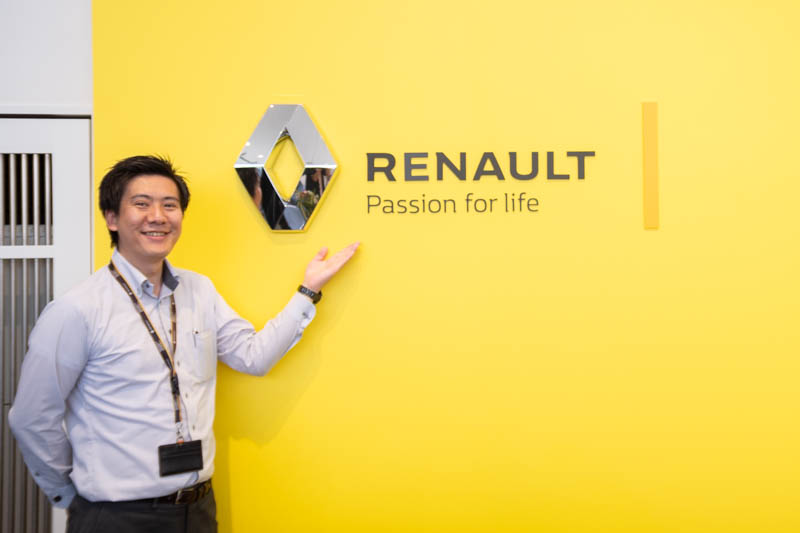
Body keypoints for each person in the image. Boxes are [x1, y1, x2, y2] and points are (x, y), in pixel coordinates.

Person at [8, 155, 359, 533]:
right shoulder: (77, 310)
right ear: (112, 218)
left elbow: (253, 357)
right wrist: (69, 494)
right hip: (117, 517)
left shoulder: (199, 290)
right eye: (141, 204)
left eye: (170, 205)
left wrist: (307, 291)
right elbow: (31, 416)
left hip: (198, 509)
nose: (158, 216)